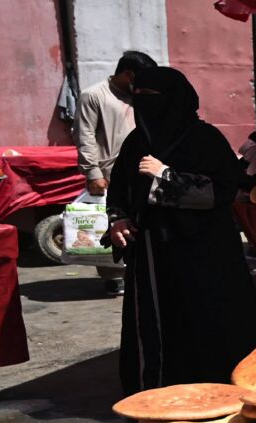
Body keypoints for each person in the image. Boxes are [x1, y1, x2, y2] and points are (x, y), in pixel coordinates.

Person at [105, 67, 256, 395]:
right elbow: (120, 190)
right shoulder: (136, 142)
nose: (142, 105)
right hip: (152, 254)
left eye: (151, 98)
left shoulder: (205, 140)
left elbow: (222, 191)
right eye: (137, 98)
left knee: (209, 319)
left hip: (203, 251)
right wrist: (118, 220)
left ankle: (223, 391)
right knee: (158, 324)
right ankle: (156, 390)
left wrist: (166, 176)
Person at [76, 50, 157, 296]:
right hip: (109, 171)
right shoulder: (94, 95)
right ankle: (113, 277)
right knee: (112, 221)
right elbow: (85, 136)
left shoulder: (139, 96)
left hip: (144, 169)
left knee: (139, 224)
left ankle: (139, 271)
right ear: (128, 74)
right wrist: (92, 173)